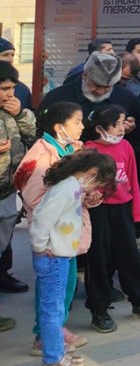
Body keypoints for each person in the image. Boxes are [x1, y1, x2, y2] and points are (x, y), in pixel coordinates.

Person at [14, 102, 90, 356]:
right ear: (60, 127)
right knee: (52, 292)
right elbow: (36, 202)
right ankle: (45, 338)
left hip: (65, 235)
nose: (82, 127)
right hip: (52, 239)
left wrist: (89, 195)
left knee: (66, 285)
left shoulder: (69, 148)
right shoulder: (42, 156)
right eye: (77, 122)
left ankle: (56, 329)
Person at [30, 148, 116, 366]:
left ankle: (56, 353)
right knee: (53, 311)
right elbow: (42, 217)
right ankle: (53, 358)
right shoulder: (67, 188)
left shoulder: (72, 187)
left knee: (55, 309)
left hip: (60, 255)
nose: (95, 190)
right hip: (53, 257)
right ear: (92, 174)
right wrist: (40, 247)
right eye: (98, 185)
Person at [82, 105, 140, 332]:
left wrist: (137, 212)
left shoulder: (126, 147)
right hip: (98, 211)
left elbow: (133, 180)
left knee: (130, 257)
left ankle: (139, 301)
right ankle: (99, 309)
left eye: (123, 123)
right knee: (98, 260)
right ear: (99, 128)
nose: (120, 129)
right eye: (115, 125)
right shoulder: (88, 151)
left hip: (123, 209)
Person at [0, 61, 36, 303]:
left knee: (2, 243)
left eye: (12, 87)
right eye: (3, 88)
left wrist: (20, 114)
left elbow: (32, 134)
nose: (10, 93)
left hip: (7, 190)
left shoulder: (14, 109)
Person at [40, 52, 137, 123]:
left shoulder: (126, 98)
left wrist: (131, 128)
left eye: (108, 87)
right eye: (97, 85)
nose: (101, 91)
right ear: (84, 75)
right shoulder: (58, 98)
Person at [0, 39, 34, 109]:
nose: (10, 59)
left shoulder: (22, 89)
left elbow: (31, 114)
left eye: (12, 55)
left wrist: (19, 114)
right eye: (5, 55)